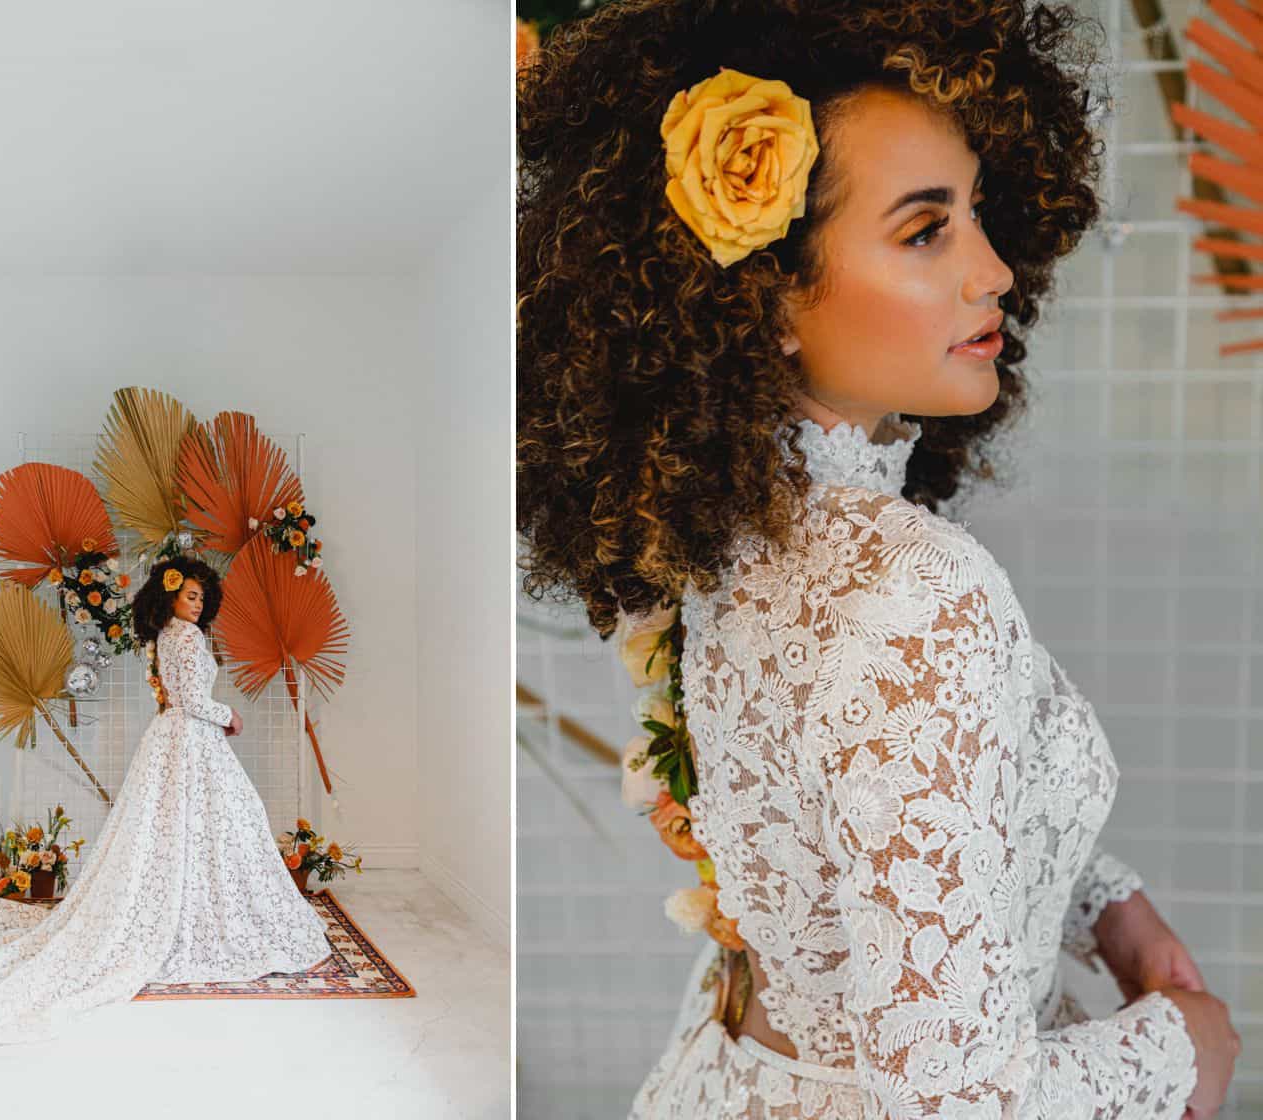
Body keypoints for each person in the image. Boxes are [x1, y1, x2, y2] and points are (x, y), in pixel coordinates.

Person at [515, 0, 1241, 1115]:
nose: (994, 270)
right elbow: (956, 1102)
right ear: (769, 301)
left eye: (978, 211)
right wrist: (1184, 1046)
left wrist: (1105, 904)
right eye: (924, 231)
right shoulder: (915, 590)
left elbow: (872, 826)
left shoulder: (727, 542)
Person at [0, 556, 332, 1053]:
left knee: (171, 829)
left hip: (170, 738)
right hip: (192, 737)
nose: (197, 605)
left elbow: (175, 698)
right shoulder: (189, 638)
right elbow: (193, 702)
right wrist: (229, 716)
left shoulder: (162, 637)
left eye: (201, 598)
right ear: (170, 597)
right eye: (190, 596)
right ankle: (197, 912)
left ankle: (184, 905)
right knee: (200, 827)